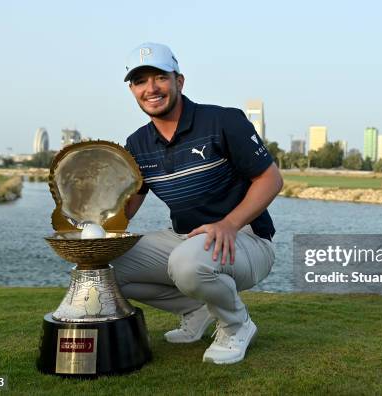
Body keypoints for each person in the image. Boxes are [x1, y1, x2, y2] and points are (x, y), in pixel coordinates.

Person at [112, 42, 283, 365]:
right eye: (140, 81)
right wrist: (88, 216)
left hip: (246, 238)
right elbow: (126, 210)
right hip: (185, 239)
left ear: (179, 81)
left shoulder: (223, 121)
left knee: (188, 263)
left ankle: (236, 326)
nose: (151, 88)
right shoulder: (136, 144)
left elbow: (271, 179)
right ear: (133, 90)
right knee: (104, 266)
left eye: (159, 77)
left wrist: (228, 224)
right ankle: (195, 310)